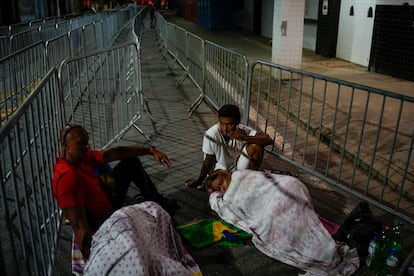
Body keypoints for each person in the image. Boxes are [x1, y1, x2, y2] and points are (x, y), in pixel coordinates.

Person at [51, 124, 178, 262]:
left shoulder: (80, 158)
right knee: (153, 213)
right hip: (106, 222)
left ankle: (159, 201)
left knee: (131, 162)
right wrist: (94, 262)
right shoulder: (67, 178)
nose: (87, 146)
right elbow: (80, 227)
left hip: (107, 199)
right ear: (66, 146)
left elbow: (115, 152)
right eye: (81, 143)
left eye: (87, 142)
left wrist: (151, 150)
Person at [205, 169, 360, 275]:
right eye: (219, 188)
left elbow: (236, 212)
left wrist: (216, 197)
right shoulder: (240, 178)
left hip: (282, 196)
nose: (223, 188)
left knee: (289, 231)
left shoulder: (239, 179)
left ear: (227, 175)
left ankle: (324, 252)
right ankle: (325, 249)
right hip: (291, 186)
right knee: (303, 226)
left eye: (222, 183)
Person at [185, 104, 273, 189]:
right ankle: (239, 184)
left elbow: (268, 140)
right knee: (221, 184)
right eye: (222, 123)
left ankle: (245, 181)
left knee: (257, 146)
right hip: (221, 170)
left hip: (237, 168)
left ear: (237, 122)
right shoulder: (211, 134)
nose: (224, 128)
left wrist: (245, 138)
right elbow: (208, 161)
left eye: (229, 124)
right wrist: (199, 181)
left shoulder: (242, 130)